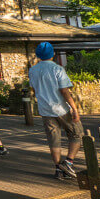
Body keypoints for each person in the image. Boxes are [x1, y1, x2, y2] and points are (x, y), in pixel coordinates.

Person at [28, 42, 83, 179]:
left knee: (54, 141)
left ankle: (58, 169)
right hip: (61, 108)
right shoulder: (57, 69)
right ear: (52, 54)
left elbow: (34, 90)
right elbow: (64, 91)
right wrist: (74, 108)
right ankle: (68, 163)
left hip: (45, 110)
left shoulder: (32, 70)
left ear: (38, 55)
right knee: (76, 133)